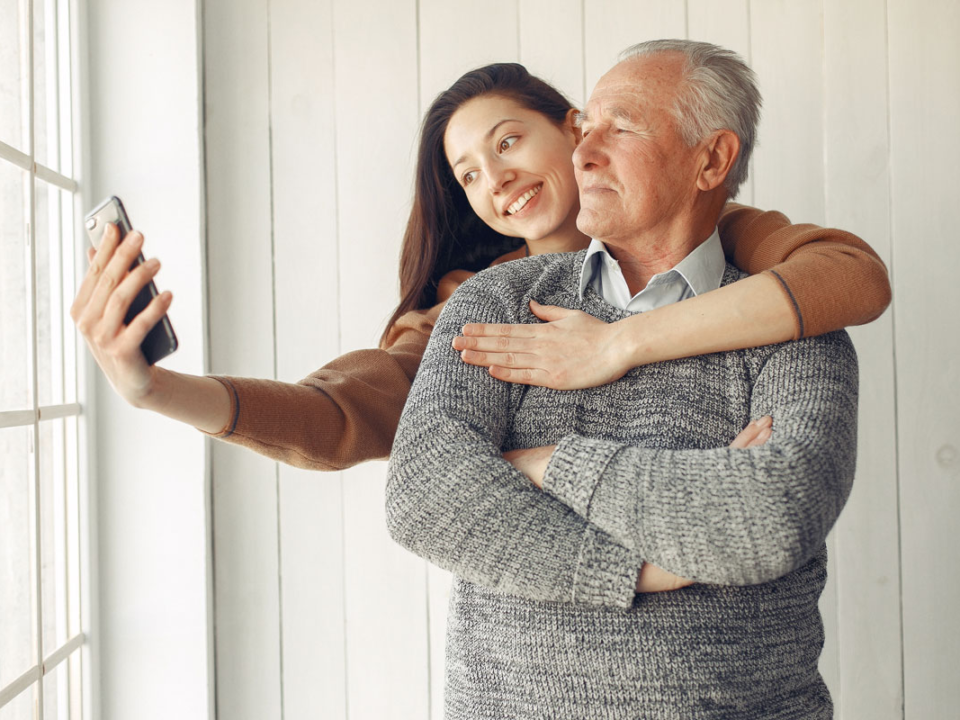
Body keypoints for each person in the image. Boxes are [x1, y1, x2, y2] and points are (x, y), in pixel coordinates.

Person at [70, 62, 886, 476]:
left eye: (507, 141)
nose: (492, 178)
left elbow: (852, 273)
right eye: (466, 173)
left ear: (575, 129)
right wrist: (155, 391)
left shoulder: (727, 235)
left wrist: (620, 344)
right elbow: (345, 413)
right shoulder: (480, 309)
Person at [386, 41, 857, 717]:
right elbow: (424, 497)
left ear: (712, 159)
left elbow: (768, 521)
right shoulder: (496, 303)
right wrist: (649, 569)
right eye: (585, 128)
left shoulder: (794, 328)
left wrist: (546, 466)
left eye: (621, 127)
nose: (583, 152)